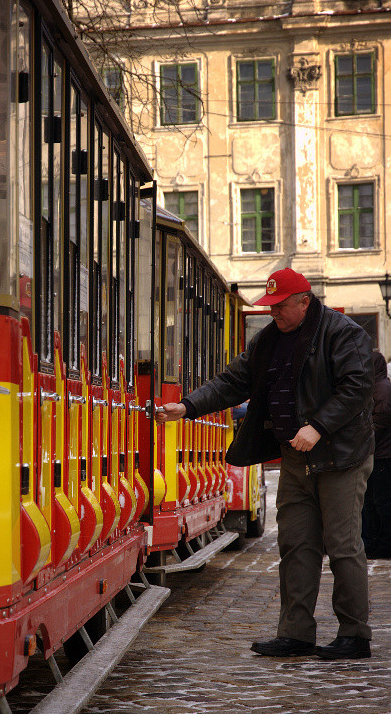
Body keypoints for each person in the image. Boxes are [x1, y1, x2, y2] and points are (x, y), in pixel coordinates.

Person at [157, 268, 374, 660]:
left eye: (280, 307)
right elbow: (231, 381)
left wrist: (319, 427)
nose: (274, 314)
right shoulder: (268, 341)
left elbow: (357, 386)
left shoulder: (342, 332)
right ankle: (295, 633)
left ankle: (355, 634)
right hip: (295, 457)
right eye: (270, 307)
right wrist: (186, 406)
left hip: (340, 456)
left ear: (304, 303)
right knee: (295, 544)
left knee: (342, 546)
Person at [362, 351, 391, 559]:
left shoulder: (381, 390)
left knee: (380, 502)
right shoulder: (379, 387)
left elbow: (378, 425)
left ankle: (382, 545)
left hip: (382, 456)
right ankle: (375, 543)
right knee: (374, 501)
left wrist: (357, 439)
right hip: (379, 454)